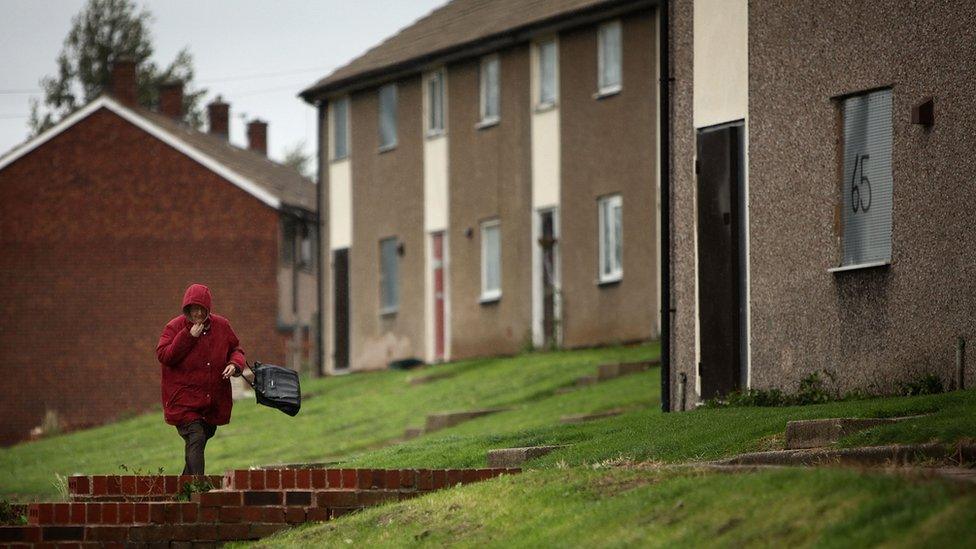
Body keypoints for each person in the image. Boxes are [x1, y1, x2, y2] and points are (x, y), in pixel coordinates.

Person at [155, 283, 254, 475]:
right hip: (184, 402)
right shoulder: (174, 327)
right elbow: (164, 355)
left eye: (202, 309)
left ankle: (185, 493)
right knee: (196, 436)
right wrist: (187, 337)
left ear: (208, 309)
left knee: (200, 438)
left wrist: (234, 365)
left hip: (212, 403)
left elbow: (236, 349)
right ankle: (199, 490)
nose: (198, 314)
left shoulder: (222, 326)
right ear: (187, 309)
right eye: (194, 309)